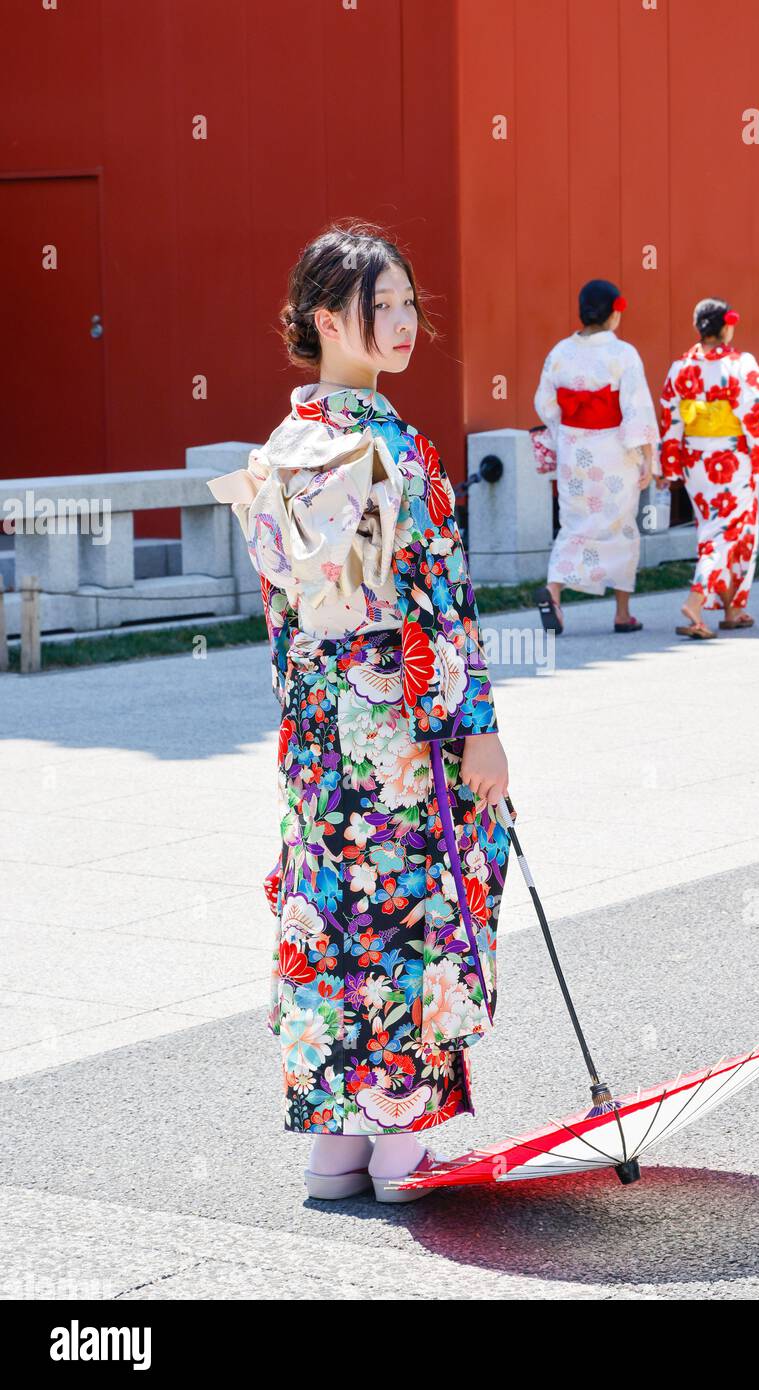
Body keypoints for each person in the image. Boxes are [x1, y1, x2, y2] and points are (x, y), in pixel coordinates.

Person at [208, 221, 513, 1203]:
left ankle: (334, 1141)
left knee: (330, 904)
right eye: (375, 306)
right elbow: (431, 611)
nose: (400, 322)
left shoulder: (281, 450)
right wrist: (476, 728)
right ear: (320, 318)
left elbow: (290, 616)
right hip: (399, 735)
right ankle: (401, 1141)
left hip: (315, 738)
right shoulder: (392, 449)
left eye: (406, 303)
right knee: (412, 907)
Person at [656, 299, 759, 638]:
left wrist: (668, 465)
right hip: (731, 461)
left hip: (695, 462)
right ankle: (696, 599)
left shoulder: (680, 368)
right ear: (727, 327)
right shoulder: (739, 365)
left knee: (725, 528)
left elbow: (670, 420)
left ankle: (734, 608)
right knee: (728, 531)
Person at [532, 279, 659, 635]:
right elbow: (636, 408)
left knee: (574, 522)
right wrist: (649, 456)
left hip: (575, 450)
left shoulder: (560, 352)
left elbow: (545, 404)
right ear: (614, 313)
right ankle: (622, 613)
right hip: (614, 450)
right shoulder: (622, 354)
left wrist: (566, 436)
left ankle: (554, 590)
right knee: (620, 524)